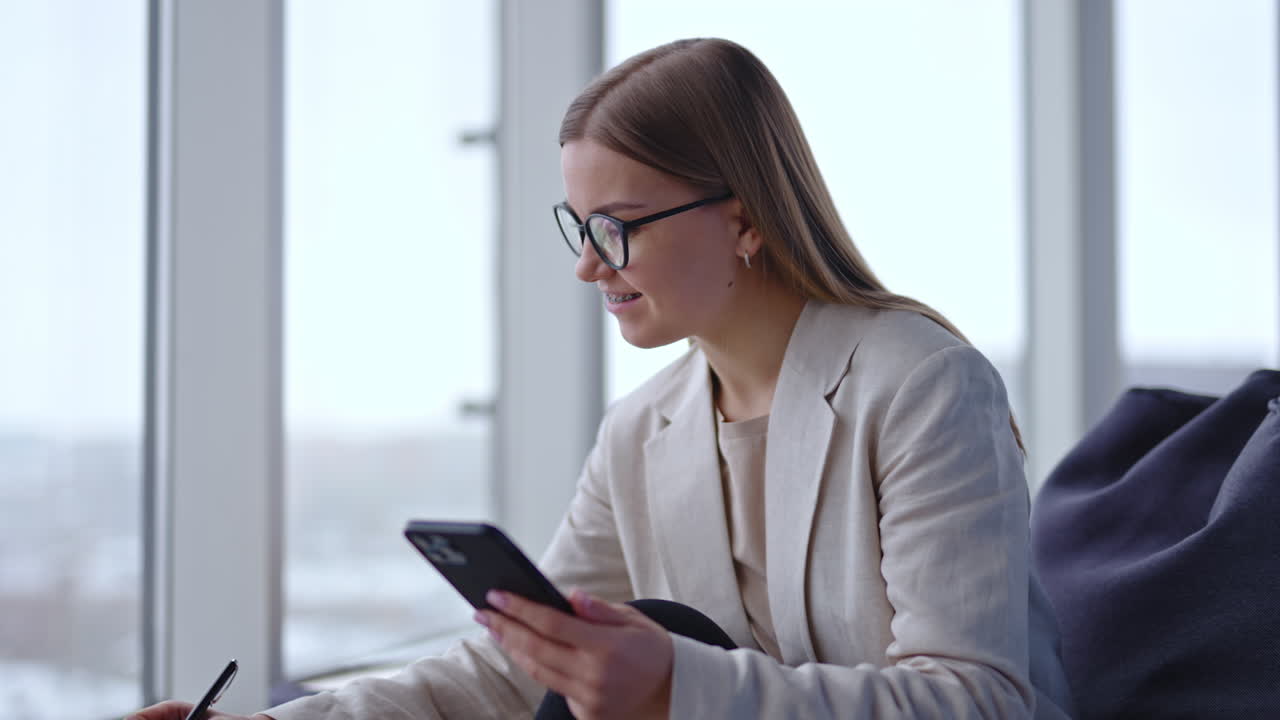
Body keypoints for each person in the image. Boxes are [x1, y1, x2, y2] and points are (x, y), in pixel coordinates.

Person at [130, 37, 1074, 720]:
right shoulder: (642, 431)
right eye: (578, 228)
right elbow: (517, 670)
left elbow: (976, 701)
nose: (589, 265)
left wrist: (672, 684)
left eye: (617, 226)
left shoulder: (922, 387)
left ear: (743, 220)